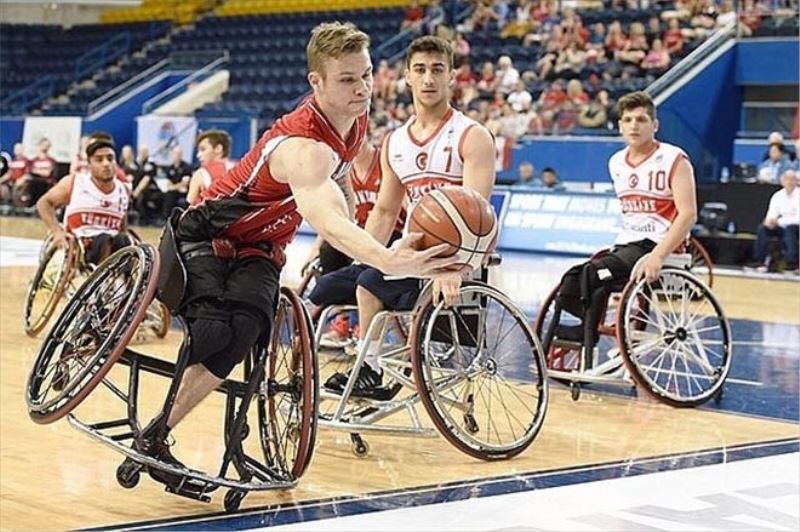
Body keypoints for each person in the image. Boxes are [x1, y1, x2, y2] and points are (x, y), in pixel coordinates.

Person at [135, 23, 457, 490]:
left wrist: (359, 229)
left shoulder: (356, 118)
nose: (363, 87)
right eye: (347, 79)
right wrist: (387, 257)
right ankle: (140, 346)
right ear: (317, 83)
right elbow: (326, 218)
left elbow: (342, 182)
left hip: (263, 249)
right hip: (208, 233)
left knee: (246, 328)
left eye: (366, 75)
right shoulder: (303, 146)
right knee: (213, 329)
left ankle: (155, 435)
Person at [322, 35, 496, 397]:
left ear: (452, 77)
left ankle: (368, 368)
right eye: (420, 70)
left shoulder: (471, 136)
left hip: (454, 258)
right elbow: (385, 212)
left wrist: (455, 267)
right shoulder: (395, 142)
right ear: (407, 77)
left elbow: (479, 215)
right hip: (411, 257)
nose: (429, 79)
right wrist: (364, 251)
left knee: (369, 283)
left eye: (437, 70)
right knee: (328, 285)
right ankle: (356, 363)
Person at [549, 91, 697, 346]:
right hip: (628, 244)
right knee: (574, 278)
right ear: (619, 126)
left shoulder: (674, 159)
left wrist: (658, 255)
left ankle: (588, 332)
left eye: (641, 120)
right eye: (627, 120)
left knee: (596, 273)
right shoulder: (616, 162)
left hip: (660, 244)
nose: (634, 126)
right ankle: (585, 327)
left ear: (655, 125)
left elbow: (688, 214)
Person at [305, 138, 408, 348]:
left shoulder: (386, 161)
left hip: (391, 235)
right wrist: (315, 249)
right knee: (330, 251)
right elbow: (334, 217)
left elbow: (395, 209)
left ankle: (361, 322)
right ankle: (341, 321)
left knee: (367, 271)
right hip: (357, 234)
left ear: (364, 136)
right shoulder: (343, 172)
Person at [35, 134, 132, 266]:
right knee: (103, 241)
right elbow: (43, 203)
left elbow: (122, 227)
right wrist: (57, 231)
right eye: (99, 159)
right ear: (89, 164)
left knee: (124, 241)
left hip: (114, 249)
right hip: (79, 248)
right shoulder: (75, 182)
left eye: (110, 159)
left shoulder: (123, 190)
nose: (106, 164)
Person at [752, 169, 799, 271]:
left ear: (797, 182)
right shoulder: (777, 196)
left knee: (790, 229)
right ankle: (760, 261)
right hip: (780, 227)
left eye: (792, 180)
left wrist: (779, 222)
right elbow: (772, 214)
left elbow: (798, 219)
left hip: (795, 228)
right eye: (787, 179)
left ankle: (792, 263)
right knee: (762, 229)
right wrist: (769, 221)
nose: (789, 182)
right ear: (782, 181)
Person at [186, 130, 233, 205]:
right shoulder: (240, 169)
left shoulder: (200, 174)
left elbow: (189, 207)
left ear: (218, 148)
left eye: (203, 149)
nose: (198, 155)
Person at [161, 146, 192, 218]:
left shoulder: (186, 167)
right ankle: (166, 218)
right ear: (172, 155)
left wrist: (173, 187)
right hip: (174, 191)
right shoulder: (170, 168)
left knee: (170, 194)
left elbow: (185, 183)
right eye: (175, 153)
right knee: (166, 195)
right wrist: (174, 187)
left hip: (184, 192)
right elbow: (168, 183)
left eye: (179, 154)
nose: (177, 155)